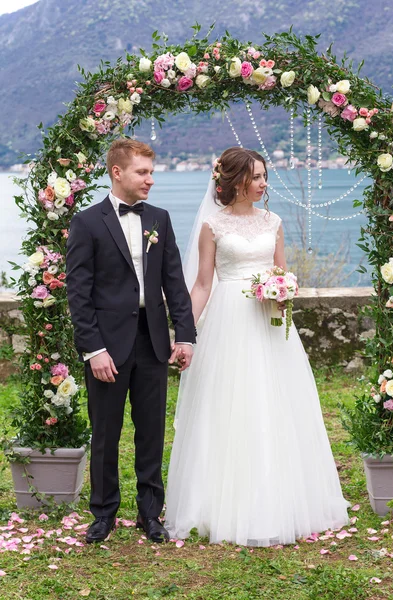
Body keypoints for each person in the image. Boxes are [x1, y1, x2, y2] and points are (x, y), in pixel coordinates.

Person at [165, 147, 349, 547]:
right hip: (227, 321)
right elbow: (201, 285)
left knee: (276, 402)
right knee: (228, 404)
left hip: (268, 321)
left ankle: (280, 499)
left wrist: (283, 294)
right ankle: (219, 501)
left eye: (266, 176)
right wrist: (184, 333)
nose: (265, 184)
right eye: (259, 177)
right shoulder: (212, 226)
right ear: (236, 181)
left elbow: (282, 273)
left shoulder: (274, 222)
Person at [66, 138, 196, 544]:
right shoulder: (87, 223)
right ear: (117, 172)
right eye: (143, 172)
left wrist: (185, 335)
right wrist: (94, 349)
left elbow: (174, 281)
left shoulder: (159, 218)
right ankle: (103, 513)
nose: (150, 180)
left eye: (152, 172)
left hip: (153, 339)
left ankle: (149, 513)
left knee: (152, 430)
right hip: (106, 344)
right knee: (105, 431)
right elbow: (78, 293)